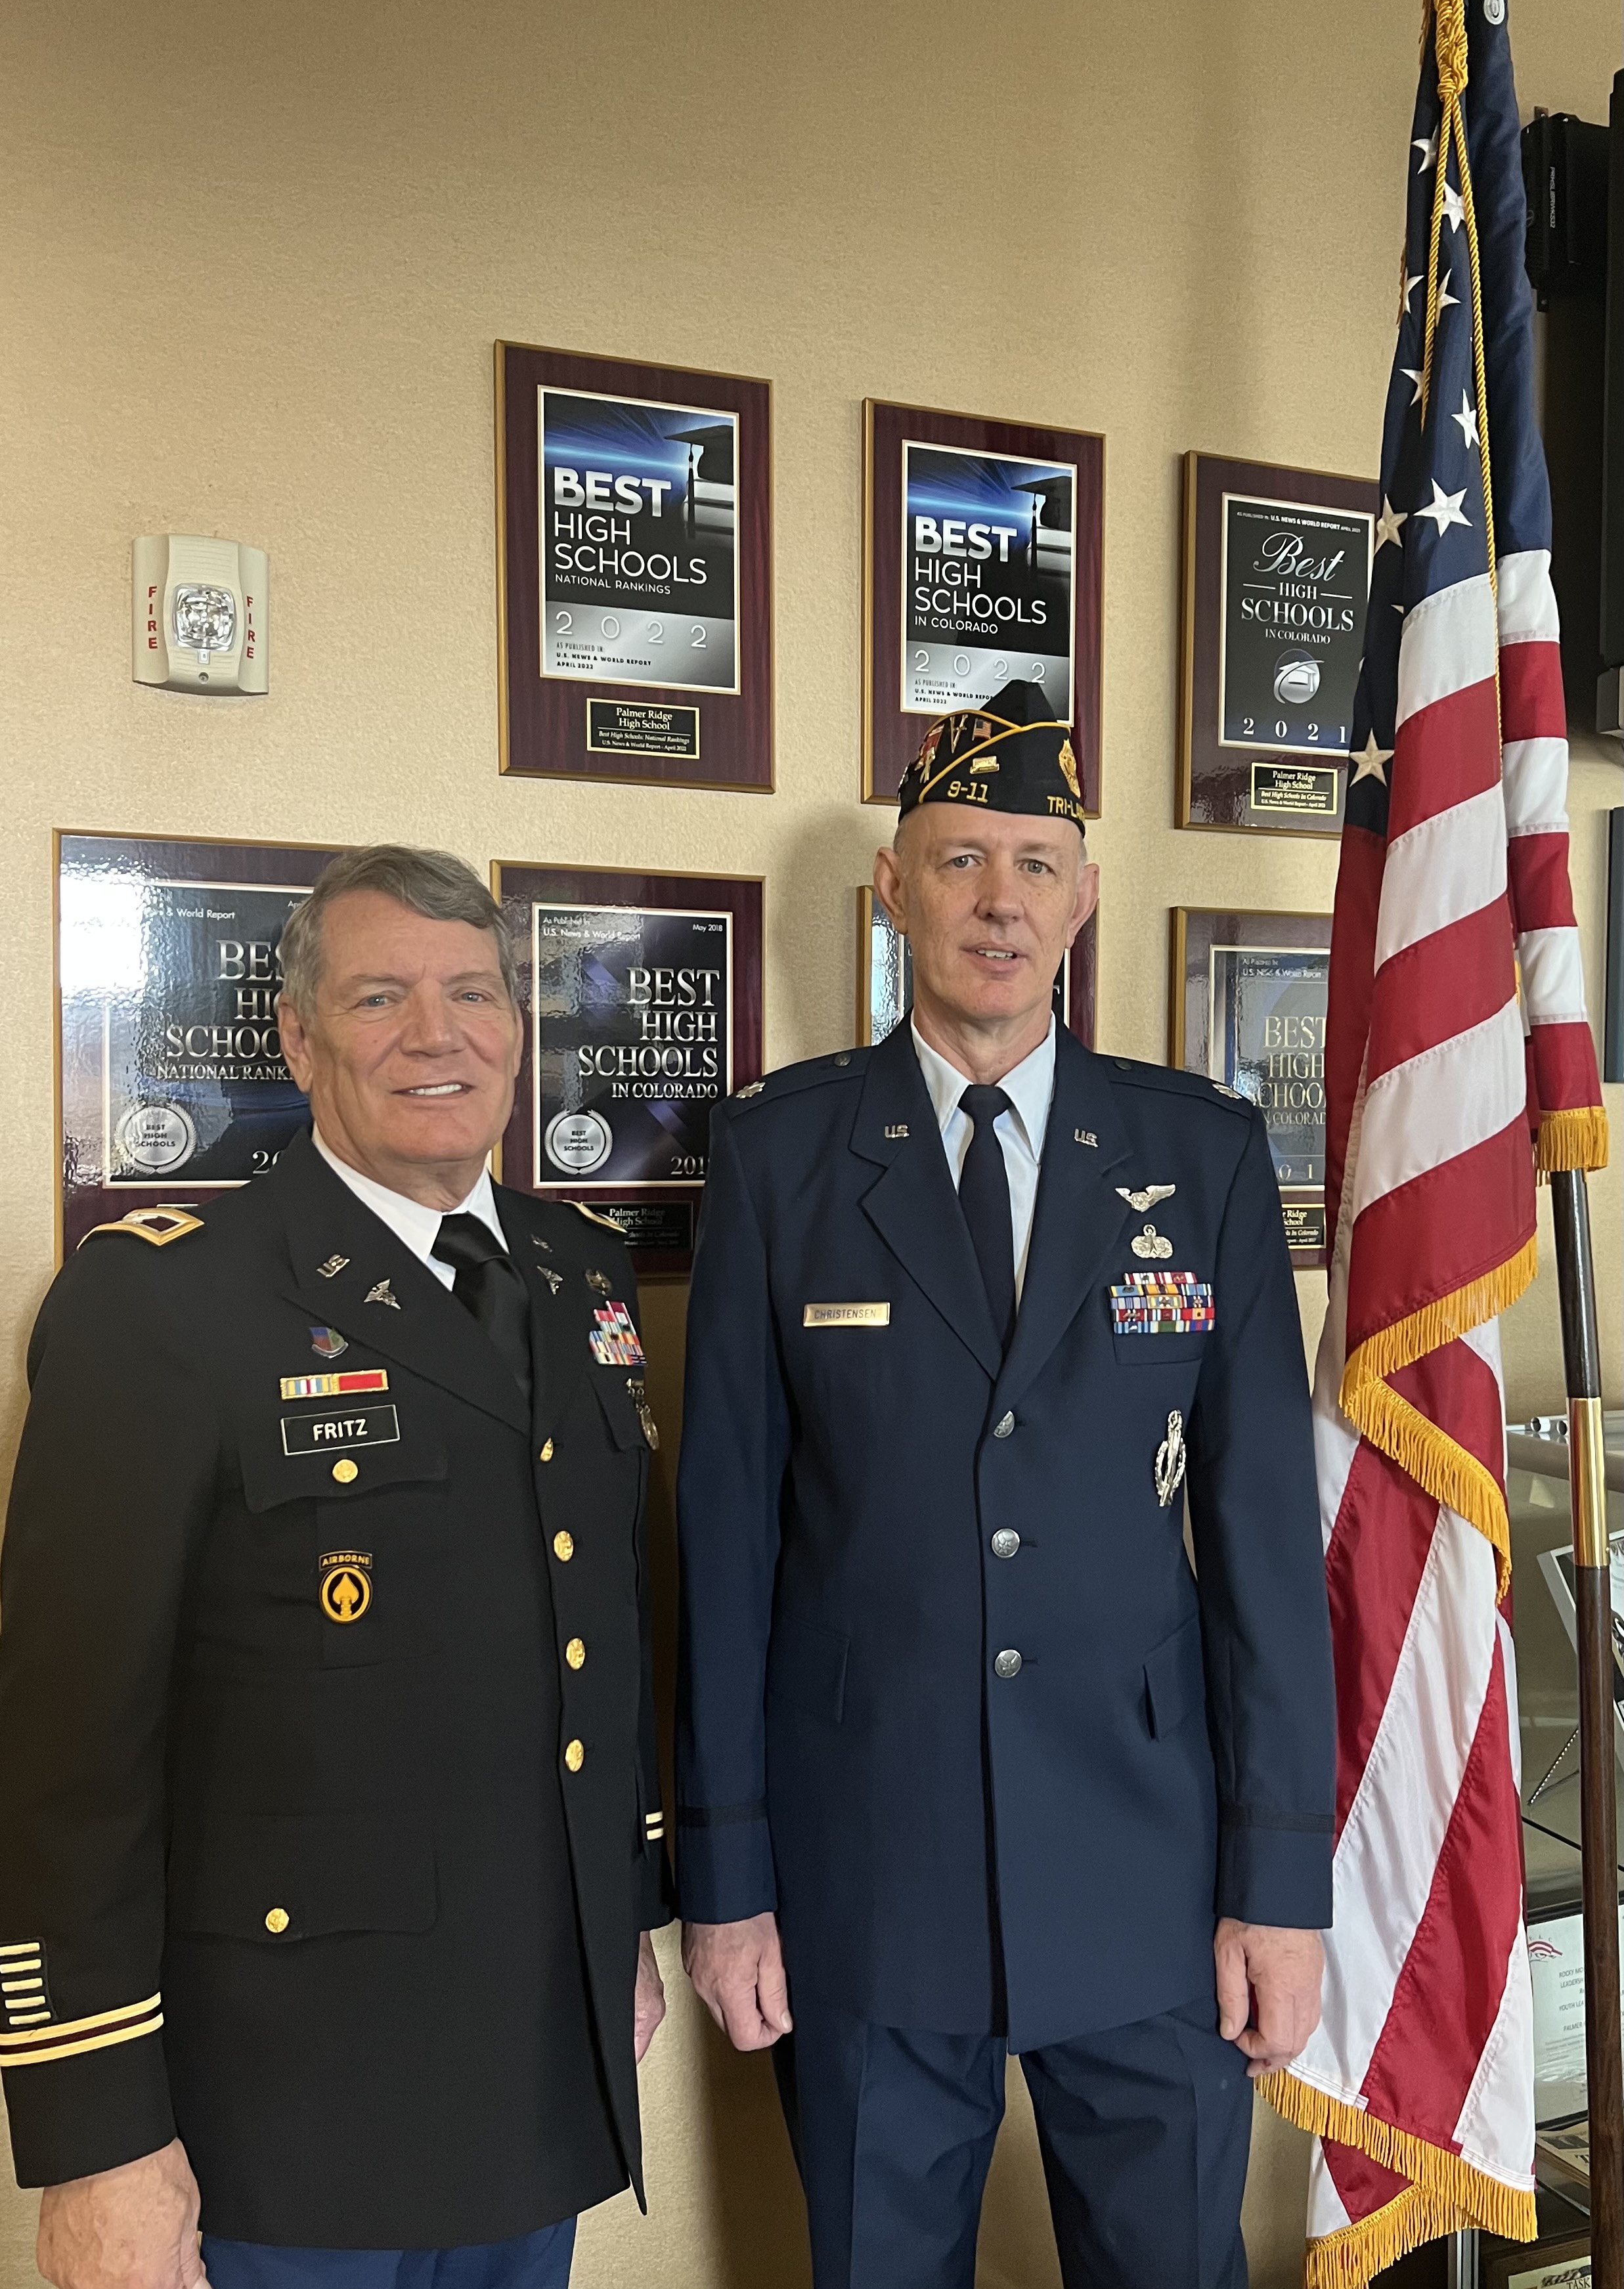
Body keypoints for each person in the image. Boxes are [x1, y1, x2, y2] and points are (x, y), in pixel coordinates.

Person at [674, 682, 1335, 2288]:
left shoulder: (1204, 1153)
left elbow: (1259, 1544)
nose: (1000, 901)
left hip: (1154, 1876)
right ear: (891, 888)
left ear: (1084, 896)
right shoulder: (782, 1156)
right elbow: (720, 1539)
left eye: (1037, 863)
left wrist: (1279, 1884)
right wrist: (726, 1880)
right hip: (865, 1878)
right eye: (961, 858)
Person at [0, 846, 671, 2289]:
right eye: (380, 997)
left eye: (474, 993)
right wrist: (97, 2138)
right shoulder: (166, 1299)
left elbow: (599, 1628)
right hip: (278, 2121)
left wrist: (623, 1919)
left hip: (531, 2074)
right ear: (300, 1039)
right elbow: (67, 1757)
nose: (439, 1035)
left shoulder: (578, 1276)